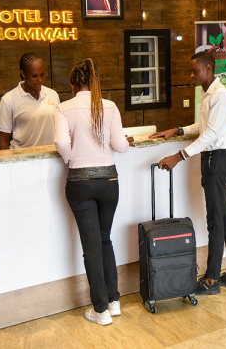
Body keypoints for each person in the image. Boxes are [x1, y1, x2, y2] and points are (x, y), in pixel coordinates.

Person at [149, 51, 226, 296]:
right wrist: (178, 130)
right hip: (215, 161)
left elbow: (210, 135)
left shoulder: (220, 95)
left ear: (208, 69)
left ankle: (212, 280)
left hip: (217, 162)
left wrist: (178, 156)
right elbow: (203, 127)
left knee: (216, 222)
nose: (191, 75)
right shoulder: (208, 93)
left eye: (194, 71)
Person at [54, 58, 133, 326]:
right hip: (109, 181)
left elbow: (61, 142)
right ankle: (113, 301)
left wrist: (70, 158)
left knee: (91, 246)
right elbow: (120, 146)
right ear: (95, 82)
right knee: (104, 240)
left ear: (72, 83)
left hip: (81, 183)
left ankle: (100, 311)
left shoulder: (63, 108)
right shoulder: (109, 106)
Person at [0, 53, 60, 150]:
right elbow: (3, 140)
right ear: (23, 74)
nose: (40, 80)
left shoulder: (52, 94)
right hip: (22, 156)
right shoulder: (8, 100)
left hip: (51, 154)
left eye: (42, 74)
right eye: (34, 76)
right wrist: (6, 159)